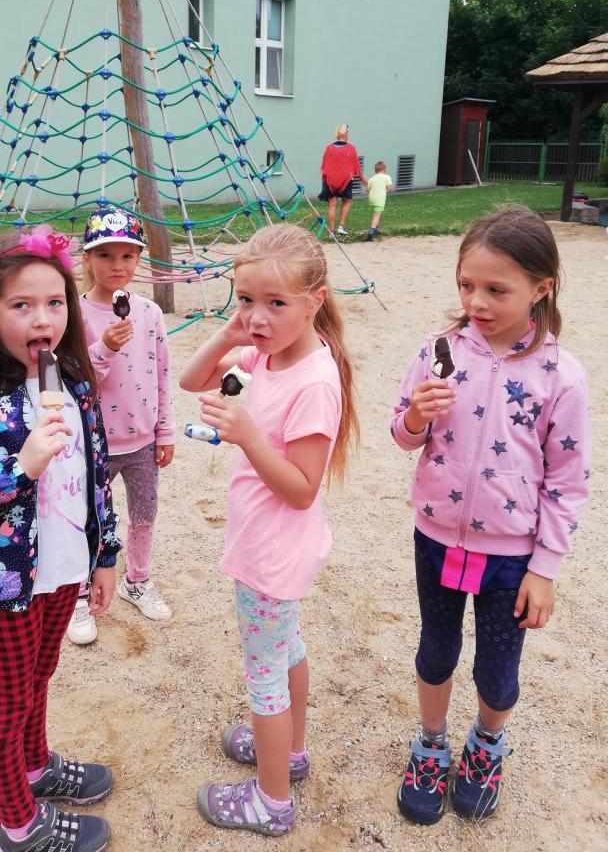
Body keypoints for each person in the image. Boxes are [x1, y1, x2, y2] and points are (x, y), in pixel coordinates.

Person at [391, 206, 591, 825]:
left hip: (511, 556)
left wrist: (545, 568)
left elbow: (568, 480)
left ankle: (486, 742)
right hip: (436, 538)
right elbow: (401, 434)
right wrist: (416, 416)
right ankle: (430, 743)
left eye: (496, 290)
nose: (475, 302)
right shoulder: (439, 352)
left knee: (498, 670)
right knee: (436, 650)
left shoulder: (562, 376)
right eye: (466, 285)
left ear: (541, 288)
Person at [0, 225, 121, 852]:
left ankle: (36, 767)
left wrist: (105, 555)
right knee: (6, 706)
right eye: (21, 305)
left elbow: (97, 475)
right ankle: (18, 823)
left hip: (63, 570)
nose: (42, 319)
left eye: (55, 302)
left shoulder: (75, 383)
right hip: (3, 586)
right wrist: (21, 467)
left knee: (40, 678)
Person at [179, 223, 359, 836]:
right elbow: (193, 380)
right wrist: (227, 333)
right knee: (288, 650)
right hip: (270, 547)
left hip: (271, 554)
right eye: (246, 300)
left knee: (265, 677)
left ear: (315, 302)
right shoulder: (268, 353)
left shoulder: (313, 381)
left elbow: (303, 488)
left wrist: (248, 435)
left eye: (276, 302)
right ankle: (292, 752)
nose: (258, 316)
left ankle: (272, 800)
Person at [65, 205, 174, 644]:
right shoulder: (73, 313)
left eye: (127, 256)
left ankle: (137, 579)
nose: (117, 265)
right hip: (94, 443)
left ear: (139, 259)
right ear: (87, 259)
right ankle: (78, 592)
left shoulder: (150, 312)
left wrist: (165, 431)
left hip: (143, 442)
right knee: (85, 517)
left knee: (144, 514)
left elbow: (162, 374)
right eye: (105, 255)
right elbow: (73, 381)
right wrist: (104, 347)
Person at [317, 124, 367, 236]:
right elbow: (356, 167)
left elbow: (325, 165)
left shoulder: (329, 148)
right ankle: (341, 226)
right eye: (348, 132)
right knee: (346, 201)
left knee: (332, 204)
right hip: (345, 179)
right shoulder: (351, 148)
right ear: (345, 133)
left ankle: (331, 231)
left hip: (330, 180)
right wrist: (363, 179)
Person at [364, 160, 393, 240]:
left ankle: (376, 228)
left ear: (375, 170)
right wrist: (385, 190)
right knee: (377, 215)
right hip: (380, 199)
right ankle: (371, 230)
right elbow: (390, 188)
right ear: (384, 169)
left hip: (372, 198)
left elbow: (367, 189)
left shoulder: (372, 178)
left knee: (376, 213)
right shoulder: (386, 177)